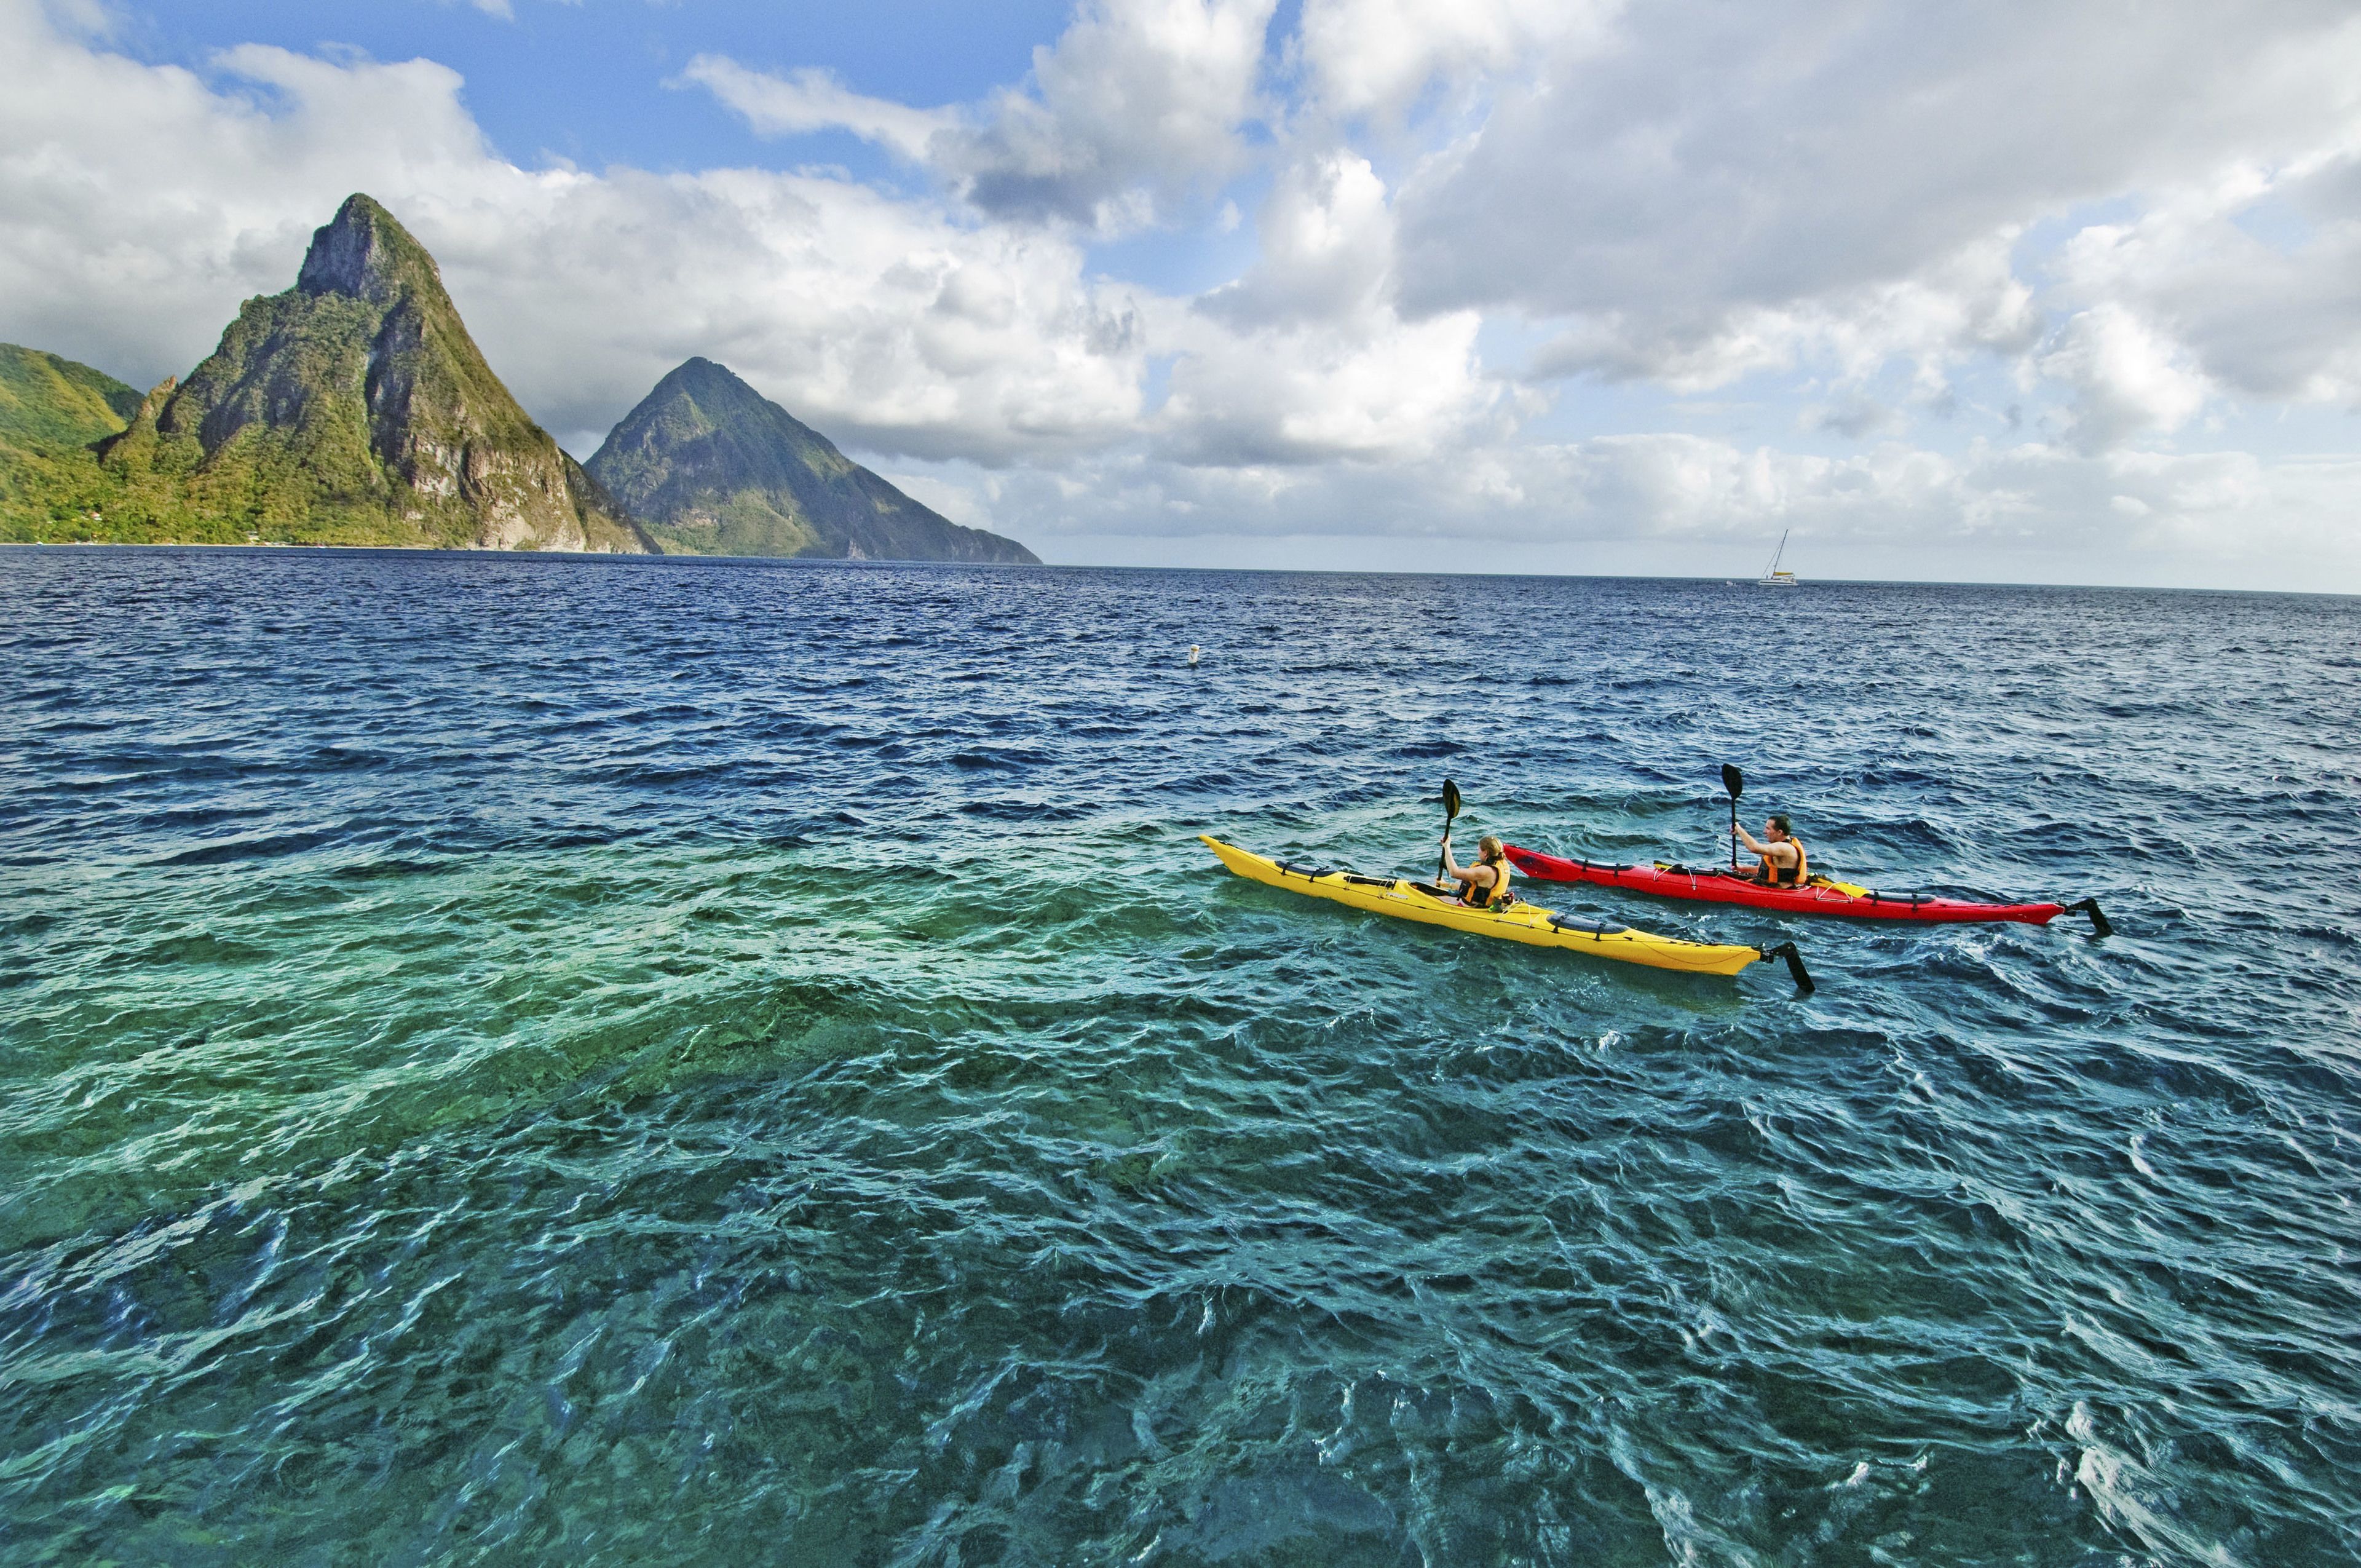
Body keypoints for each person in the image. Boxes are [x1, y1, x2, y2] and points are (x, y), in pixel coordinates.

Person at [1440, 833, 1515, 909]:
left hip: (1472, 908)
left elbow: (1454, 873)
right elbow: (1471, 887)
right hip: (1488, 906)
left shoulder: (1486, 871)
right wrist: (1445, 884)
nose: (1478, 852)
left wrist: (1447, 847)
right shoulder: (1503, 864)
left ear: (1485, 853)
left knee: (1436, 899)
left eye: (1479, 849)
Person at [1734, 813, 1808, 887]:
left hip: (1778, 890)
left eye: (1768, 829)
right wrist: (1742, 869)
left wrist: (1739, 829)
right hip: (1766, 885)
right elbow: (1763, 871)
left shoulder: (1785, 848)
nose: (1764, 831)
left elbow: (1754, 848)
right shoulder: (1779, 846)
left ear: (1779, 832)